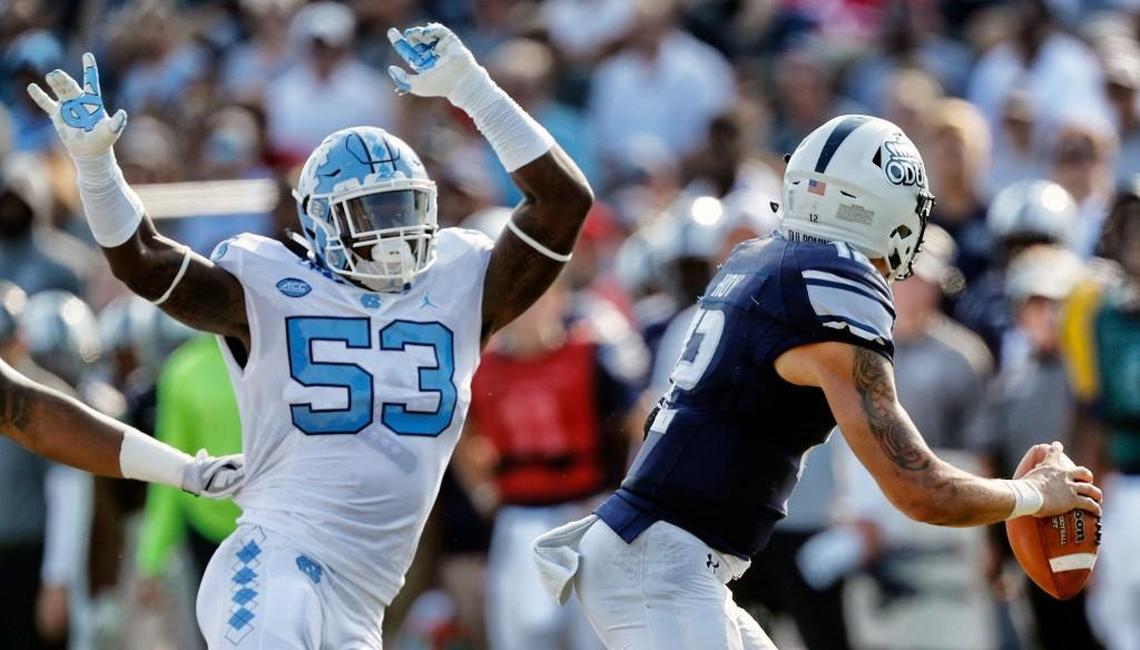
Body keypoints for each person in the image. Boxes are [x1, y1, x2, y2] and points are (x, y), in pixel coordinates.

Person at [28, 21, 592, 648]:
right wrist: (97, 169)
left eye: (406, 208)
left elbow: (563, 203)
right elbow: (143, 260)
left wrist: (472, 88)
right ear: (321, 223)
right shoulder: (268, 287)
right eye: (372, 214)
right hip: (273, 562)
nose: (394, 232)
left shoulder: (461, 286)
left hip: (365, 597)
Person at [532, 115, 1102, 649]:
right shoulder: (836, 288)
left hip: (663, 555)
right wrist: (1035, 495)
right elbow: (920, 490)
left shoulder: (762, 259)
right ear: (883, 206)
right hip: (660, 563)